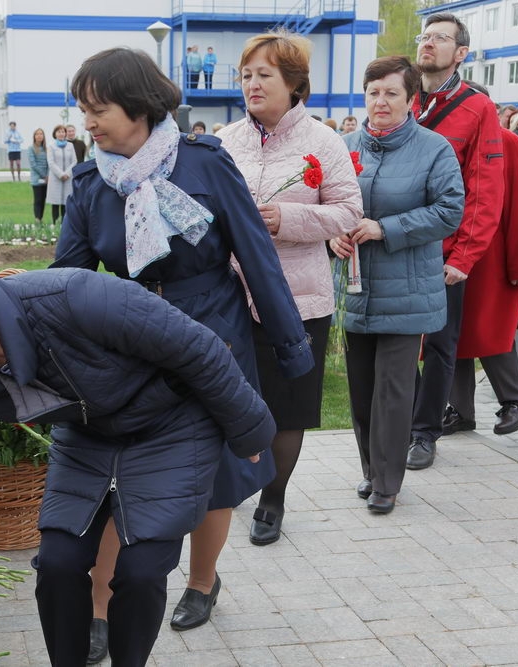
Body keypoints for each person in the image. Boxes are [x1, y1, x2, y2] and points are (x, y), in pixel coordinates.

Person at [0, 212, 276, 667]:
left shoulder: (74, 296)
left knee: (141, 570)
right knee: (58, 566)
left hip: (172, 426)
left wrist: (249, 433)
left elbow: (199, 348)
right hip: (91, 434)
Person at [52, 46, 313, 653]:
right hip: (133, 338)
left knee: (214, 471)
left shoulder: (203, 166)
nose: (86, 122)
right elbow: (65, 278)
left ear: (139, 105)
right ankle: (100, 604)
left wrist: (291, 349)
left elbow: (256, 257)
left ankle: (201, 580)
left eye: (98, 108)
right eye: (82, 109)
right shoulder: (94, 182)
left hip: (212, 332)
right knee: (121, 475)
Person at [218, 29, 362, 544]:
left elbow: (348, 211)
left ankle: (273, 500)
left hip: (299, 296)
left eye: (265, 75)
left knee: (288, 406)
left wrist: (287, 217)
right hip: (230, 295)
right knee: (231, 397)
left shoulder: (323, 142)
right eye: (246, 75)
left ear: (293, 83)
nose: (252, 85)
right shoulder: (226, 140)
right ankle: (233, 483)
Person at [328, 55, 464, 514]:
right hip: (356, 290)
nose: (380, 102)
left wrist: (386, 229)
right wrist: (332, 233)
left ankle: (389, 480)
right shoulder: (342, 145)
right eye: (373, 92)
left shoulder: (433, 149)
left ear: (411, 100)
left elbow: (449, 211)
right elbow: (324, 205)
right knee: (361, 389)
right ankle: (371, 470)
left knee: (393, 390)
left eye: (391, 93)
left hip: (408, 291)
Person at [406, 12, 505, 470]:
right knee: (397, 344)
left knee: (442, 345)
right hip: (393, 245)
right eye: (424, 36)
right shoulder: (400, 97)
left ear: (461, 52)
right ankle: (399, 424)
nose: (428, 43)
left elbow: (485, 189)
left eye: (440, 38)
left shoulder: (477, 107)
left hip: (445, 254)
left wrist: (464, 256)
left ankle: (425, 433)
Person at [443, 81, 518, 439]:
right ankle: (459, 409)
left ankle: (515, 398)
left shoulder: (508, 143)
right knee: (449, 334)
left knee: (490, 330)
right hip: (447, 250)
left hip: (495, 256)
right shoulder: (443, 140)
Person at [47, 124, 76, 224]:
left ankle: (64, 225)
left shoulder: (70, 145)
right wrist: (60, 174)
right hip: (56, 178)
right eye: (59, 132)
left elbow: (74, 161)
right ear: (55, 134)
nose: (61, 134)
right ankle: (55, 223)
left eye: (63, 132)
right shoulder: (51, 146)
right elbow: (51, 162)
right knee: (55, 203)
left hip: (67, 178)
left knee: (65, 202)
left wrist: (67, 174)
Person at [27, 128, 49, 223]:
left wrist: (47, 175)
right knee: (38, 199)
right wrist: (43, 175)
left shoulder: (46, 149)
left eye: (41, 134)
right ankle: (37, 219)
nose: (39, 136)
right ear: (34, 137)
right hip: (36, 178)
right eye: (37, 134)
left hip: (46, 179)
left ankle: (41, 218)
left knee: (43, 199)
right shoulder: (31, 148)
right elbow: (33, 164)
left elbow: (49, 163)